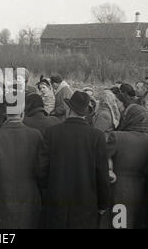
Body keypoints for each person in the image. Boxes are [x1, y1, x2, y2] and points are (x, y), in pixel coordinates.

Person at [37, 91, 110, 229]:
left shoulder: (53, 132)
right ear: (85, 112)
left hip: (56, 201)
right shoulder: (97, 136)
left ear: (69, 109)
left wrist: (47, 193)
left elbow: (41, 170)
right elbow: (102, 174)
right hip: (86, 204)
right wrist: (103, 204)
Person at [0, 95, 45, 229]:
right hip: (30, 197)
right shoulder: (36, 135)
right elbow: (42, 171)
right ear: (22, 113)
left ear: (5, 113)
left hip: (3, 197)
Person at [106, 104, 148, 229]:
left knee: (119, 225)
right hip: (143, 191)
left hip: (120, 190)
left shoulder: (117, 136)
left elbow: (102, 158)